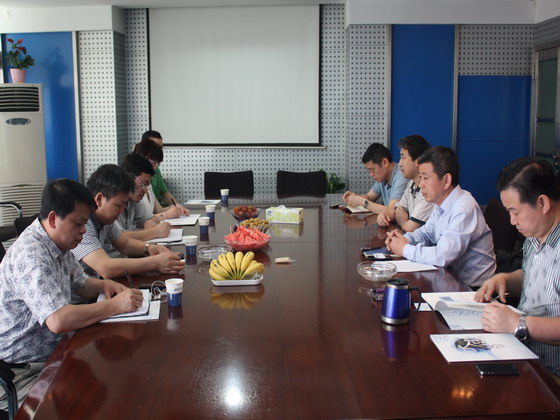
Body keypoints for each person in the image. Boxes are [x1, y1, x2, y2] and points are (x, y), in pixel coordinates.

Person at [0, 179, 143, 408]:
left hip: (58, 350)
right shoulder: (31, 254)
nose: (84, 230)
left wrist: (105, 286)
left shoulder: (58, 241)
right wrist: (115, 306)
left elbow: (81, 284)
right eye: (78, 223)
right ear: (54, 219)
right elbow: (58, 320)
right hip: (25, 370)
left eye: (85, 223)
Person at [475, 158, 560, 378]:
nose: (512, 222)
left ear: (543, 203)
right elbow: (534, 275)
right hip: (523, 354)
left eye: (516, 212)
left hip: (551, 374)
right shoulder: (534, 235)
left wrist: (517, 324)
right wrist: (505, 279)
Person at [385, 146, 496, 287]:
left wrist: (404, 249)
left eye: (425, 178)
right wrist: (404, 239)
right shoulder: (440, 202)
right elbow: (426, 233)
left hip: (473, 290)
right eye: (420, 177)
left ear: (446, 180)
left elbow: (443, 256)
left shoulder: (464, 208)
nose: (421, 184)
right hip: (450, 279)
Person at [72, 164, 184, 281]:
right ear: (99, 199)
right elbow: (106, 268)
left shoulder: (105, 221)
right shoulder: (83, 223)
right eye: (119, 205)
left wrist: (149, 248)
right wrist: (155, 262)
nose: (121, 211)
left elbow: (125, 244)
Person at [105, 153, 174, 258]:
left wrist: (148, 223)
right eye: (143, 184)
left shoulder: (134, 201)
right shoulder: (111, 201)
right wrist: (155, 232)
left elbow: (150, 219)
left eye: (147, 186)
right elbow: (120, 237)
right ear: (129, 177)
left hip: (128, 257)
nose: (145, 190)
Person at [377, 135, 433, 231]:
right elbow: (397, 211)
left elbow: (410, 228)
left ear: (418, 161)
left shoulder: (428, 190)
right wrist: (384, 215)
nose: (400, 164)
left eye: (403, 158)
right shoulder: (411, 183)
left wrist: (403, 222)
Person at [342, 142, 408, 215]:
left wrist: (361, 201)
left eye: (372, 170)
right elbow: (369, 197)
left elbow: (392, 211)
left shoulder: (402, 176)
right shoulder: (382, 177)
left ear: (385, 162)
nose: (371, 174)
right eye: (369, 171)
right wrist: (355, 197)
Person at [134, 138, 189, 219]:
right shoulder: (135, 186)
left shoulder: (148, 184)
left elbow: (159, 210)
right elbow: (141, 221)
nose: (155, 167)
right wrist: (165, 215)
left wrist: (174, 208)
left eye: (157, 163)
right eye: (153, 162)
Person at [141, 130, 182, 208]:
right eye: (155, 146)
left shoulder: (156, 169)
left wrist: (176, 206)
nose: (158, 150)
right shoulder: (138, 174)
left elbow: (165, 193)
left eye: (160, 147)